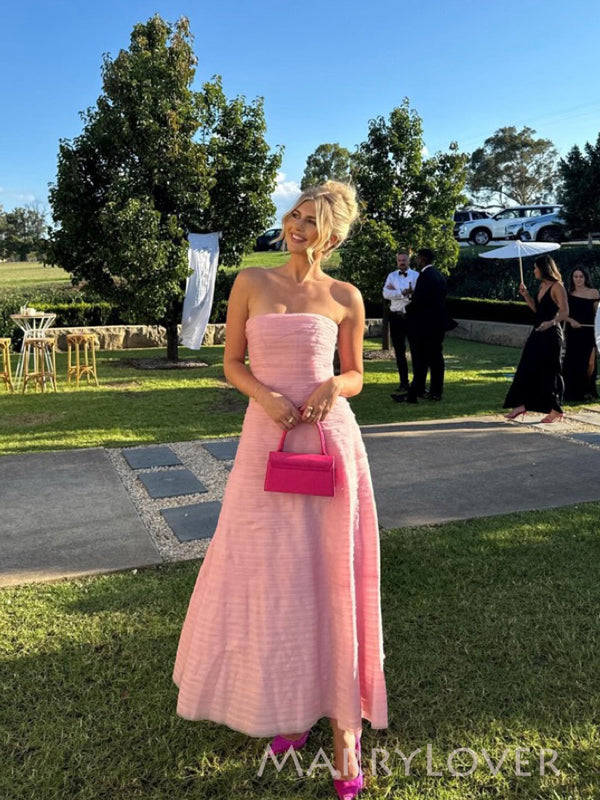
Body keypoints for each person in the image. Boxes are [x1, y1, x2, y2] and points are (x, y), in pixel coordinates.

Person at [173, 181, 388, 800]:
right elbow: (231, 362)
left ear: (333, 235)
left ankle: (345, 733)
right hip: (264, 441)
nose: (296, 226)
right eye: (295, 214)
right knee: (268, 574)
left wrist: (333, 387)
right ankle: (290, 710)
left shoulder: (345, 296)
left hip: (330, 445)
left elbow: (355, 374)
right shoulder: (250, 281)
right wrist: (265, 397)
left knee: (332, 576)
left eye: (311, 220)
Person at [504, 254, 569, 423]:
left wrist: (551, 323)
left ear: (544, 268)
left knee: (551, 370)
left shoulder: (557, 286)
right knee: (527, 366)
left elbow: (565, 312)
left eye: (536, 268)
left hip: (552, 333)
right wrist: (526, 295)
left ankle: (556, 409)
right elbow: (537, 310)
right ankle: (521, 404)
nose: (534, 271)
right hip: (538, 331)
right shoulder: (542, 286)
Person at [391, 248, 448, 403]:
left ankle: (416, 392)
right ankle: (432, 391)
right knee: (435, 359)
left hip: (426, 325)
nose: (416, 260)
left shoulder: (425, 276)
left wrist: (406, 310)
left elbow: (420, 301)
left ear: (422, 259)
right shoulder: (437, 275)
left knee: (422, 359)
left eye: (417, 258)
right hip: (437, 324)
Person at [383, 252, 419, 392]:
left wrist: (396, 292)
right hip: (396, 317)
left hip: (412, 317)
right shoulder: (391, 276)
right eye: (399, 260)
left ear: (409, 261)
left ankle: (417, 383)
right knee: (399, 351)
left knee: (416, 350)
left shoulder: (416, 276)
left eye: (404, 260)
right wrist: (402, 292)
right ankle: (404, 383)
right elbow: (385, 294)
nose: (402, 262)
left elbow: (417, 294)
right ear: (397, 262)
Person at [563, 266, 599, 401]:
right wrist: (571, 320)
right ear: (572, 278)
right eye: (575, 277)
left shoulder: (594, 293)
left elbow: (598, 313)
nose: (578, 279)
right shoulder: (568, 294)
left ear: (585, 278)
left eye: (581, 277)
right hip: (573, 332)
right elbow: (561, 314)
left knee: (591, 362)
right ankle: (576, 392)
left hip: (590, 331)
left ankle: (589, 389)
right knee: (575, 361)